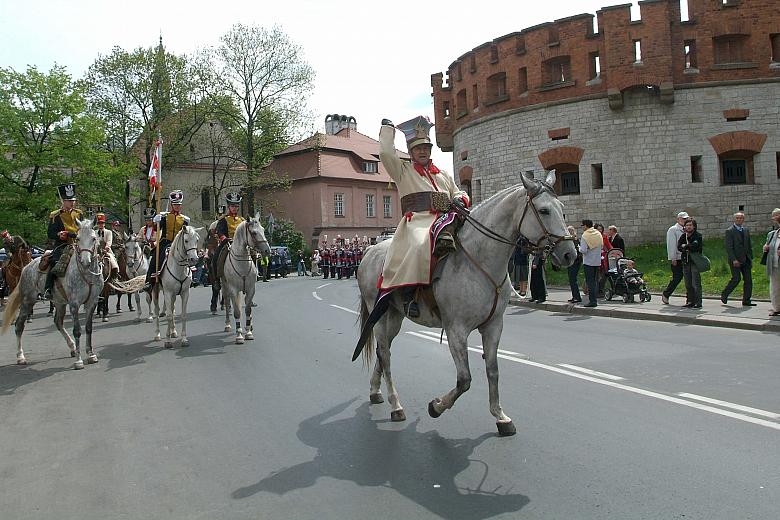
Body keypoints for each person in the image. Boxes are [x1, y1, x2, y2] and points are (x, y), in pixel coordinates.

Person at [377, 116, 470, 318]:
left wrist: (462, 199)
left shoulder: (442, 174)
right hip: (419, 221)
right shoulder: (402, 170)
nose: (423, 152)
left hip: (449, 218)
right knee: (421, 243)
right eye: (418, 149)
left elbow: (457, 192)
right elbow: (385, 152)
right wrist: (387, 130)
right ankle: (410, 295)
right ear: (411, 152)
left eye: (426, 148)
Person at [143, 190, 190, 292]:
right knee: (156, 257)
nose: (177, 206)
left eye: (179, 204)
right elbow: (155, 229)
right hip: (166, 242)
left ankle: (190, 276)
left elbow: (187, 234)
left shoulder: (185, 219)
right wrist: (155, 222)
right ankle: (149, 281)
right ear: (171, 205)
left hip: (178, 243)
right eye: (175, 204)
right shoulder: (165, 216)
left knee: (190, 254)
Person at [43, 183, 83, 300]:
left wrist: (73, 235)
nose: (72, 202)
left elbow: (83, 229)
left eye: (73, 200)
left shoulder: (79, 213)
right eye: (69, 200)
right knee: (54, 262)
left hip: (79, 244)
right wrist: (58, 234)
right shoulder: (55, 215)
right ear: (63, 201)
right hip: (62, 245)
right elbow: (50, 233)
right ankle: (48, 288)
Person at [721, 211, 755, 306]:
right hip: (735, 259)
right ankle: (725, 294)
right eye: (737, 218)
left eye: (741, 218)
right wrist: (734, 259)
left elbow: (748, 245)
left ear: (743, 220)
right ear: (734, 219)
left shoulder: (745, 230)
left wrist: (750, 258)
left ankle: (746, 300)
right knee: (736, 278)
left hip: (746, 259)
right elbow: (729, 247)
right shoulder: (730, 231)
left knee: (748, 280)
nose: (739, 220)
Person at [212, 192, 245, 280]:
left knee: (253, 254)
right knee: (215, 258)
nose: (234, 208)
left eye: (236, 206)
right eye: (232, 206)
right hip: (227, 244)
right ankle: (216, 280)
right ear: (229, 206)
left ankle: (253, 273)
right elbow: (220, 232)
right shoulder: (223, 219)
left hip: (241, 245)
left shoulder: (242, 220)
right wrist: (224, 238)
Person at [662, 211, 689, 305]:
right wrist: (673, 258)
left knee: (689, 278)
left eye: (686, 219)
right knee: (677, 277)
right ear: (678, 219)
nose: (684, 220)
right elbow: (671, 245)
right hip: (677, 257)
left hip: (686, 257)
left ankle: (689, 298)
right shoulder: (673, 229)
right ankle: (666, 293)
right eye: (683, 219)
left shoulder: (688, 229)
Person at [678, 218, 703, 308]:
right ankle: (690, 301)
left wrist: (686, 246)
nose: (688, 227)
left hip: (694, 262)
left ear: (694, 226)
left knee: (695, 283)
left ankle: (698, 302)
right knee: (688, 283)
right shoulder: (683, 236)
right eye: (687, 225)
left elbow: (695, 246)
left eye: (690, 225)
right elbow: (679, 247)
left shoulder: (698, 236)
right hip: (685, 261)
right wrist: (685, 247)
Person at [579, 219, 602, 308]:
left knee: (590, 282)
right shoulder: (597, 233)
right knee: (595, 281)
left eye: (582, 225)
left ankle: (592, 301)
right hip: (597, 261)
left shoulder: (585, 235)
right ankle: (594, 299)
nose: (582, 227)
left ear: (585, 226)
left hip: (588, 261)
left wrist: (578, 248)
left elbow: (583, 250)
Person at [763, 209, 780, 316]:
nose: (775, 217)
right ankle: (777, 308)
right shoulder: (773, 234)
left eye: (777, 215)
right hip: (774, 265)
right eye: (774, 216)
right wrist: (765, 248)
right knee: (774, 288)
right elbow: (768, 246)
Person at [566, 225, 583, 303]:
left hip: (575, 261)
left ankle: (577, 297)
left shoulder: (573, 240)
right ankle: (575, 296)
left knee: (573, 279)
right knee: (571, 279)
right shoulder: (575, 239)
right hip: (573, 261)